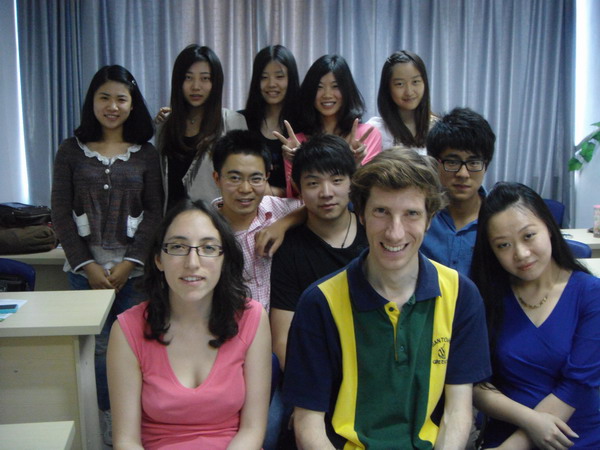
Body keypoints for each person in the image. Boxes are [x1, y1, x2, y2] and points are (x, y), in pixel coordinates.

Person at [282, 148, 492, 449]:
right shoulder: (320, 303)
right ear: (362, 215)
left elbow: (457, 412)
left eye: (411, 214)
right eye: (381, 212)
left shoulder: (461, 295)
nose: (395, 233)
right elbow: (308, 423)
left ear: (430, 219)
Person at [51, 65, 163, 445]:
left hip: (135, 273)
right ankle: (104, 427)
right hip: (85, 273)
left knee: (136, 348)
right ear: (92, 102)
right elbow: (59, 212)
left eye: (120, 99)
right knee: (95, 351)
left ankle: (137, 424)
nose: (112, 106)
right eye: (104, 98)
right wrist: (88, 266)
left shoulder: (146, 153)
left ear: (132, 104)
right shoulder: (70, 150)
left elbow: (155, 212)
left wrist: (131, 262)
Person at [107, 199, 271, 449]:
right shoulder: (127, 330)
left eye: (208, 248)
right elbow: (126, 441)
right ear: (158, 259)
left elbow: (252, 429)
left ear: (224, 259)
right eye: (178, 247)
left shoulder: (252, 318)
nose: (192, 262)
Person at [471, 182, 600, 449]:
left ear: (549, 228)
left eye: (529, 236)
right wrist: (529, 420)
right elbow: (476, 384)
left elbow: (576, 386)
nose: (521, 253)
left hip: (576, 438)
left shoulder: (591, 294)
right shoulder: (486, 296)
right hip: (504, 432)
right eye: (503, 245)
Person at [270, 134, 368, 370]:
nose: (326, 192)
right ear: (298, 188)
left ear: (352, 181)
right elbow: (283, 341)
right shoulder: (289, 249)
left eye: (337, 180)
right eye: (313, 183)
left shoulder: (373, 234)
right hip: (316, 372)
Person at [211, 130, 303, 311]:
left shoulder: (276, 209)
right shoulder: (205, 229)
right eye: (235, 178)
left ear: (267, 177)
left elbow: (316, 207)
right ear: (217, 178)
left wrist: (283, 224)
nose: (246, 189)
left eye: (255, 178)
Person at [274, 54, 382, 197]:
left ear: (347, 90)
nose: (327, 94)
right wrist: (297, 163)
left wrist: (356, 163)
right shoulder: (296, 142)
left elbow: (370, 192)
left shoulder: (367, 135)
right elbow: (296, 196)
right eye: (319, 87)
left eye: (335, 86)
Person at [156, 45, 247, 212]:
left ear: (215, 82)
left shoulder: (233, 122)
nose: (196, 86)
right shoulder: (164, 125)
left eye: (205, 78)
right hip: (172, 221)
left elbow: (242, 180)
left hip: (214, 221)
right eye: (188, 78)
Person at [421, 107, 496, 277]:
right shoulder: (419, 214)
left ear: (486, 165)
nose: (463, 174)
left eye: (473, 162)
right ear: (435, 163)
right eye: (452, 162)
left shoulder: (497, 218)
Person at [240, 45, 300, 197]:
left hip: (294, 209)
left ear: (291, 79)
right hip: (247, 206)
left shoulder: (304, 123)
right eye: (264, 77)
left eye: (279, 77)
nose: (271, 84)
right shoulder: (240, 121)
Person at [367, 50, 437, 155]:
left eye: (415, 82)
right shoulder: (376, 130)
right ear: (387, 88)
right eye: (399, 84)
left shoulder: (438, 128)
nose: (409, 92)